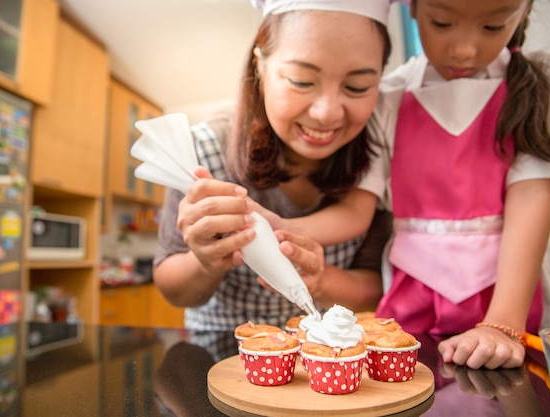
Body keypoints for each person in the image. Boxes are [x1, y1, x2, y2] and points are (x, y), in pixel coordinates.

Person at [285, 0, 550, 369]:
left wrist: (503, 324)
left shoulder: (532, 87)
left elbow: (531, 200)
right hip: (413, 292)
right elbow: (356, 212)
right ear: (415, 8)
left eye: (493, 27)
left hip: (510, 294)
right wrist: (277, 228)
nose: (464, 49)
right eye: (442, 23)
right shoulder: (389, 96)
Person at [152, 0, 394, 353]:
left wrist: (322, 279)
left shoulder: (376, 153)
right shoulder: (203, 152)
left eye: (357, 87)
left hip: (331, 358)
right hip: (221, 355)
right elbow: (174, 289)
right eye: (301, 81)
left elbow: (375, 287)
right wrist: (206, 261)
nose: (326, 113)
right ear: (260, 65)